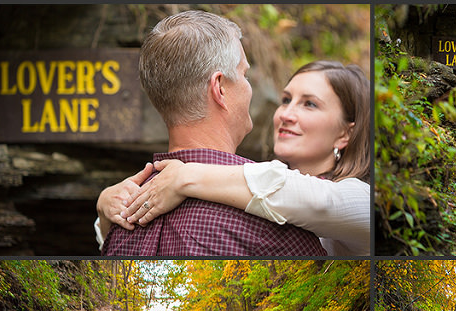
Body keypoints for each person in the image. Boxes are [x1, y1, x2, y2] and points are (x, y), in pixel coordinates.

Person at [96, 10, 324, 258]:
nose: (249, 88)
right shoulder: (275, 217)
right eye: (244, 74)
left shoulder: (121, 214)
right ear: (220, 88)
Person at [110, 61, 371, 257]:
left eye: (310, 104)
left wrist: (184, 176)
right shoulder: (238, 187)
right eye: (286, 100)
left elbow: (316, 202)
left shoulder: (362, 199)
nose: (286, 114)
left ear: (345, 133)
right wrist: (105, 211)